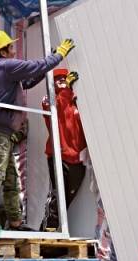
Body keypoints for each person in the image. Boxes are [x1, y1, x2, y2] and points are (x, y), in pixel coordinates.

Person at [0, 29, 75, 230]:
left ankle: (15, 221)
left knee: (11, 180)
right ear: (1, 52)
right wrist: (59, 55)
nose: (13, 51)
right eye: (10, 47)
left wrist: (50, 61)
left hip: (0, 134)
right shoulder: (5, 66)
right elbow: (34, 67)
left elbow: (27, 81)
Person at [40, 68, 87, 231]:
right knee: (57, 195)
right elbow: (54, 110)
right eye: (57, 79)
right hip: (57, 154)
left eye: (64, 78)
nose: (61, 81)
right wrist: (65, 89)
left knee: (67, 197)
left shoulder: (74, 100)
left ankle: (50, 231)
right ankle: (47, 232)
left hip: (77, 157)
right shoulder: (49, 99)